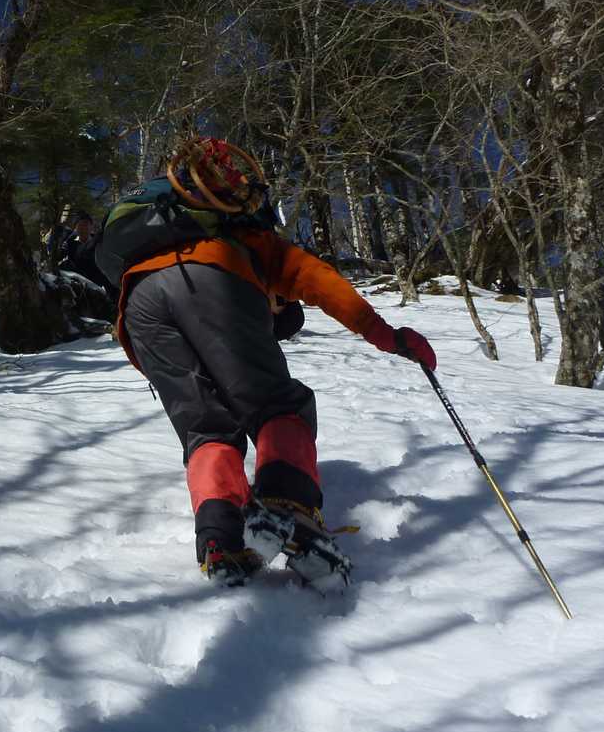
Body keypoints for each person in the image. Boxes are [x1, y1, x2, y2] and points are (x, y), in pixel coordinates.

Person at [97, 136, 436, 585]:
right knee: (279, 405)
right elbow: (322, 282)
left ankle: (221, 540)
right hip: (212, 278)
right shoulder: (249, 239)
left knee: (206, 429)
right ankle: (289, 509)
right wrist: (385, 335)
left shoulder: (157, 236)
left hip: (137, 305)